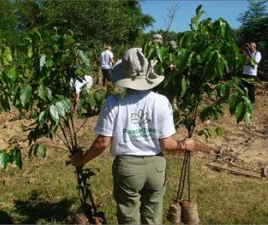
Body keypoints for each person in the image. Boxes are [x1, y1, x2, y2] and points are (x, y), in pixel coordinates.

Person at [70, 47, 196, 224]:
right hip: (156, 167)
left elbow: (102, 142)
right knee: (153, 216)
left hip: (128, 168)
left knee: (129, 216)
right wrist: (184, 145)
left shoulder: (113, 103)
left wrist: (82, 160)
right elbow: (166, 143)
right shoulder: (161, 102)